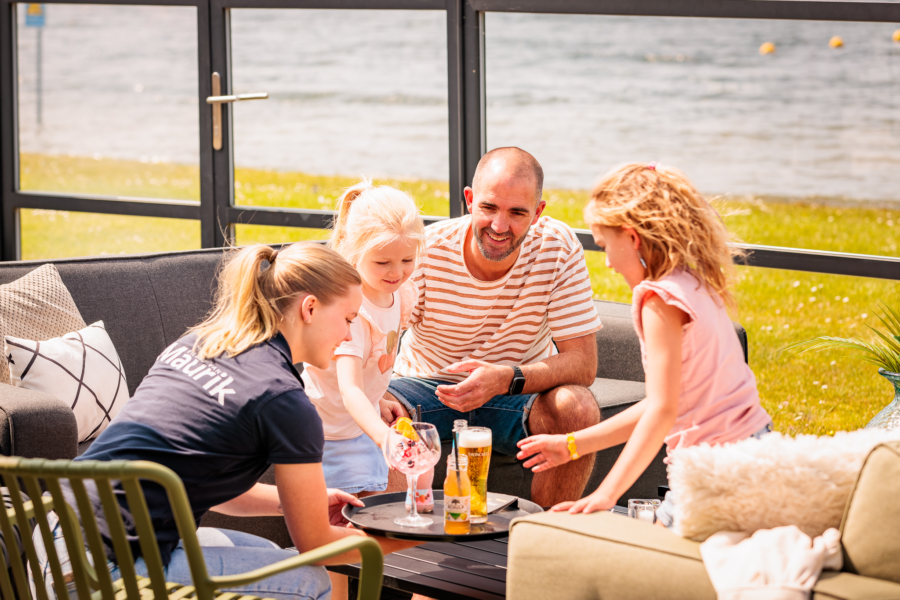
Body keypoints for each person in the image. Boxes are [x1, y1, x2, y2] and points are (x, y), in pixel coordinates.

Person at [31, 242, 416, 600]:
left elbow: (213, 484)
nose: (348, 334)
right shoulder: (284, 399)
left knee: (266, 552)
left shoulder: (199, 343)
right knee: (315, 582)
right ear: (310, 308)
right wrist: (416, 536)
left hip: (46, 540)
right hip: (100, 574)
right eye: (348, 318)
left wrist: (298, 503)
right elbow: (316, 545)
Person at [516, 162, 772, 526]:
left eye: (605, 245)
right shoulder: (695, 283)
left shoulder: (658, 300)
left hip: (712, 473)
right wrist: (571, 445)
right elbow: (661, 403)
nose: (608, 262)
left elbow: (662, 410)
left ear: (632, 238)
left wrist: (605, 495)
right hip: (755, 449)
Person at [383, 147, 603, 508]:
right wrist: (374, 394)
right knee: (380, 411)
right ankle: (386, 536)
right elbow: (375, 335)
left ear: (538, 212)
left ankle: (549, 532)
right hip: (425, 387)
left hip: (516, 393)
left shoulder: (558, 248)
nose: (500, 226)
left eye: (517, 212)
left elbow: (583, 364)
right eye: (489, 208)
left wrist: (505, 378)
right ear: (470, 200)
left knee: (576, 408)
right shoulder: (427, 251)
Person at [301, 182, 433, 600]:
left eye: (408, 260)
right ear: (354, 250)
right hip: (326, 435)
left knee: (377, 534)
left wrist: (383, 398)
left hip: (359, 426)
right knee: (337, 550)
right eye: (382, 262)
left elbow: (374, 367)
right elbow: (349, 389)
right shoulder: (351, 313)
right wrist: (384, 437)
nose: (397, 271)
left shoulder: (400, 294)